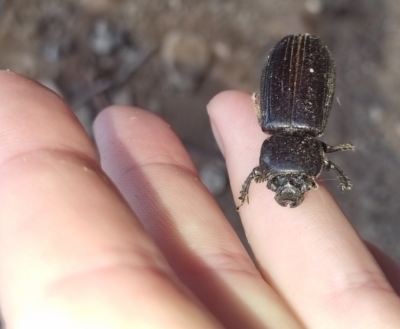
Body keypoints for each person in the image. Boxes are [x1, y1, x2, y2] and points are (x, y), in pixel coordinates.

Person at [0, 71, 399, 329]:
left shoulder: (281, 144)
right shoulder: (297, 140)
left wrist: (250, 187)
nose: (289, 194)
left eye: (283, 183)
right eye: (290, 182)